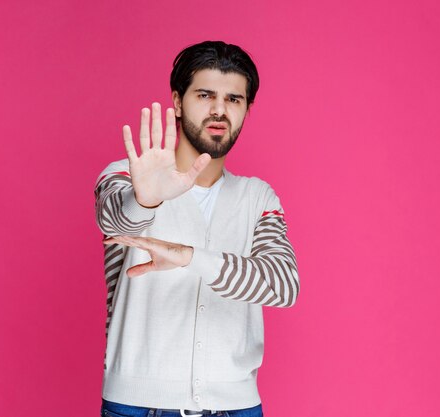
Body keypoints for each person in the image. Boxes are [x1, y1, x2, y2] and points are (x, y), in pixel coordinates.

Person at [94, 41, 299, 417]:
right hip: (137, 405)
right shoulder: (126, 176)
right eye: (205, 95)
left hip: (236, 407)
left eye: (234, 99)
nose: (219, 109)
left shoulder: (258, 197)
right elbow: (115, 220)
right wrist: (147, 200)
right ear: (177, 100)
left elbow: (283, 285)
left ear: (247, 110)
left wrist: (189, 257)